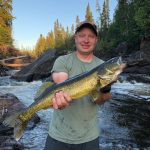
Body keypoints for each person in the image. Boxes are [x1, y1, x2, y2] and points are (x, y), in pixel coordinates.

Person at [44, 21, 112, 150]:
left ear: (96, 40)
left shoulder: (103, 65)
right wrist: (62, 96)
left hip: (89, 138)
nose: (86, 40)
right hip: (58, 137)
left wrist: (106, 88)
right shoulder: (62, 60)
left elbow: (100, 100)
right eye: (82, 35)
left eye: (91, 36)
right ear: (75, 38)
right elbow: (61, 80)